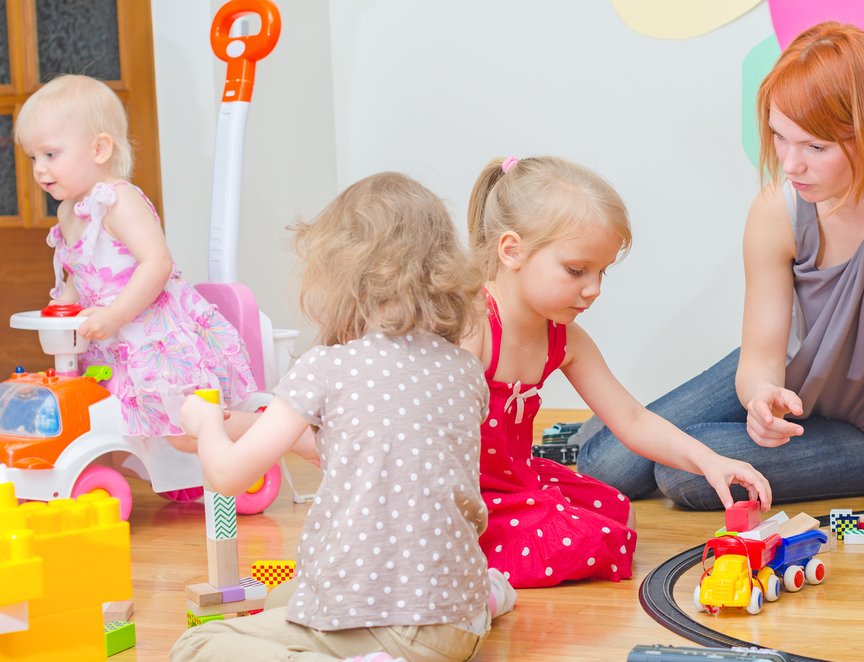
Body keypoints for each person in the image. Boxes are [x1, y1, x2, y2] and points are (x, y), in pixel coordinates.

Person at [575, 22, 864, 531]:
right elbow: (758, 356)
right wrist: (760, 394)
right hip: (799, 377)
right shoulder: (777, 209)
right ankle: (581, 436)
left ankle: (612, 434)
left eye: (816, 147)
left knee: (681, 474)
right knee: (604, 468)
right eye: (780, 136)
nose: (791, 164)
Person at [171, 172, 516, 662]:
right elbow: (360, 452)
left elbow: (226, 476)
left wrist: (205, 424)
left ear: (346, 266)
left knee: (199, 644)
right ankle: (490, 595)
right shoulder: (464, 370)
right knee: (281, 598)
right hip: (457, 624)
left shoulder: (327, 367)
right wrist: (247, 426)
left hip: (390, 629)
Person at [464, 156, 772, 589]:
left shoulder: (564, 338)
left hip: (519, 480)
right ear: (512, 250)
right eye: (576, 270)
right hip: (463, 492)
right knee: (587, 542)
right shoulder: (474, 326)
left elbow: (633, 420)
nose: (594, 289)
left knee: (616, 513)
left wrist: (710, 461)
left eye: (601, 272)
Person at [13, 74, 255, 448]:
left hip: (150, 335)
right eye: (33, 158)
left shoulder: (119, 201)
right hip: (113, 342)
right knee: (118, 420)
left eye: (50, 154)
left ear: (99, 149)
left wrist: (114, 315)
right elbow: (81, 269)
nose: (39, 169)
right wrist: (65, 306)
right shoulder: (67, 212)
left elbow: (157, 264)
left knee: (185, 427)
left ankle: (271, 432)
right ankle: (178, 476)